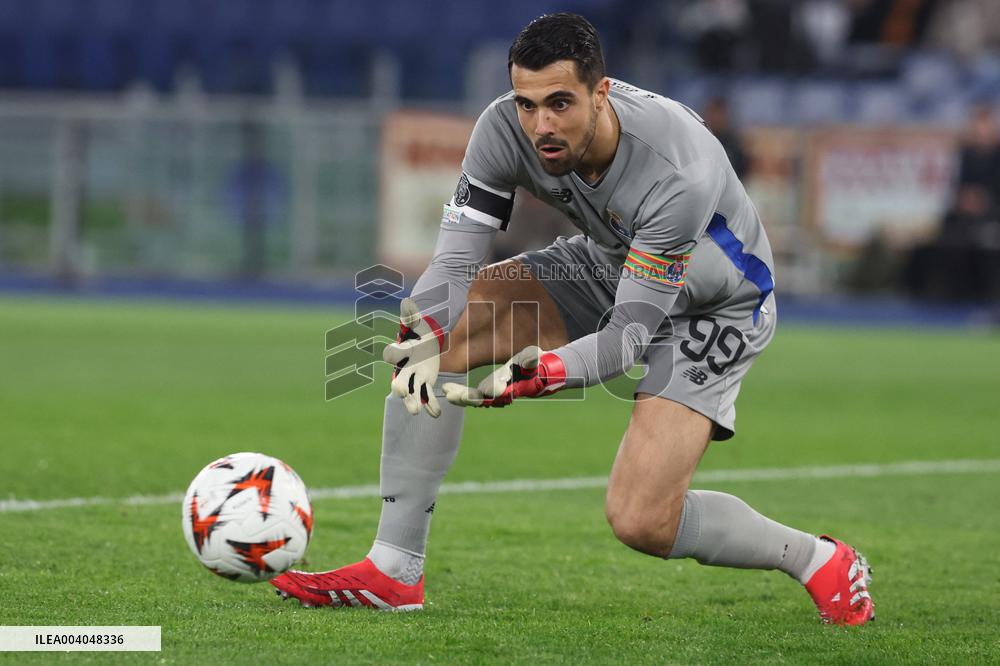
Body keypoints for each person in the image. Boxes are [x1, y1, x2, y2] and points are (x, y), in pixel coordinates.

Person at [271, 13, 874, 625]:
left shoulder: (678, 170)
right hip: (609, 264)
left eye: (560, 103)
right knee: (443, 338)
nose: (542, 125)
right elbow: (453, 260)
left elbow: (628, 335)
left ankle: (819, 559)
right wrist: (419, 330)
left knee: (641, 519)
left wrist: (550, 372)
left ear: (601, 91)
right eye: (528, 105)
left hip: (717, 307)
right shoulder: (502, 128)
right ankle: (394, 571)